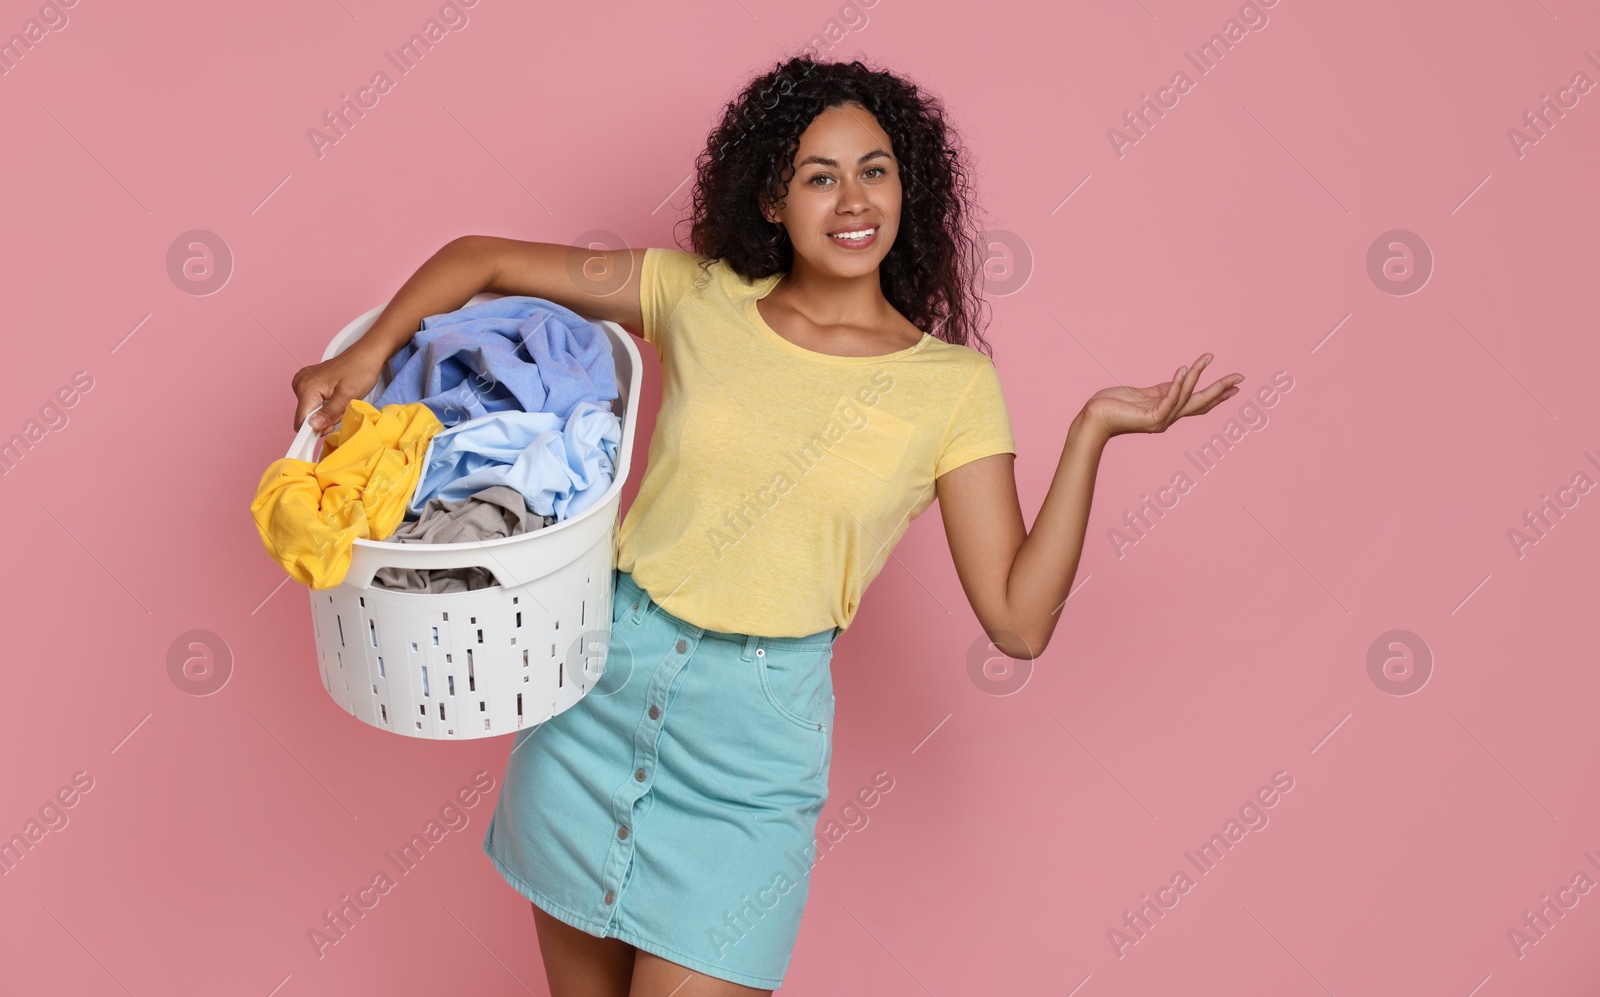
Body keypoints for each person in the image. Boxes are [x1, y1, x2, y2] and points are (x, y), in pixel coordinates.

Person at [288, 55, 1242, 997]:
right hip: (594, 692)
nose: (852, 198)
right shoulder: (697, 296)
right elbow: (481, 258)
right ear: (772, 202)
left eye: (874, 169)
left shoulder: (952, 389)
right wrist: (370, 354)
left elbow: (1017, 621)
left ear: (909, 186)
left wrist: (1091, 433)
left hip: (754, 751)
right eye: (817, 176)